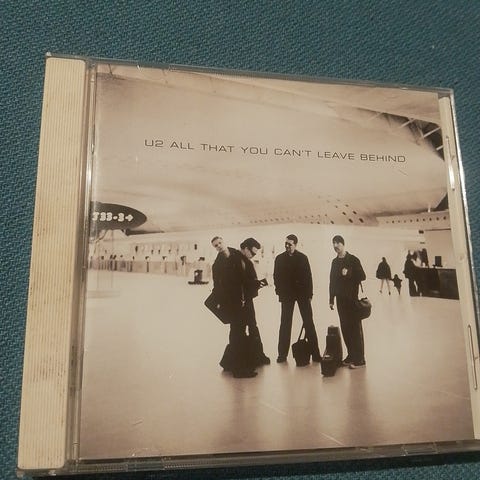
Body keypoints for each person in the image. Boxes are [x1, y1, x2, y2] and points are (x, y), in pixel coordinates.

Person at [211, 236, 257, 378]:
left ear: (224, 242)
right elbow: (218, 285)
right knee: (238, 333)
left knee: (237, 332)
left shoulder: (236, 255)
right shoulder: (217, 265)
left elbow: (244, 276)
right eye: (216, 245)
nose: (219, 246)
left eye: (220, 243)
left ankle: (229, 363)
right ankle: (239, 369)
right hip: (232, 302)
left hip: (242, 301)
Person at [273, 234, 321, 363]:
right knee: (285, 323)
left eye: (290, 244)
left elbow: (309, 277)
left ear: (295, 244)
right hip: (287, 295)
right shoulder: (279, 259)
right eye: (286, 244)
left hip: (302, 294)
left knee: (308, 322)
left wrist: (310, 294)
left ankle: (316, 354)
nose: (287, 246)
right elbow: (276, 277)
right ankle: (282, 354)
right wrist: (279, 292)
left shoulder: (303, 258)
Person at [329, 235, 367, 369]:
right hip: (340, 301)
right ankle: (351, 355)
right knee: (345, 329)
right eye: (333, 243)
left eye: (338, 243)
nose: (335, 246)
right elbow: (332, 281)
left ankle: (360, 359)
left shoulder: (353, 259)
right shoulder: (334, 262)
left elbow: (363, 276)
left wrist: (349, 272)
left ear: (343, 244)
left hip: (352, 300)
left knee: (355, 329)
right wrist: (331, 299)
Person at [239, 237, 270, 366]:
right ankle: (253, 357)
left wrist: (256, 284)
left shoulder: (245, 261)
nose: (253, 255)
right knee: (244, 328)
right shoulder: (238, 261)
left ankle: (255, 356)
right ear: (246, 248)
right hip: (240, 301)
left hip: (246, 299)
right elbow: (240, 282)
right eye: (252, 252)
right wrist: (256, 283)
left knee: (250, 326)